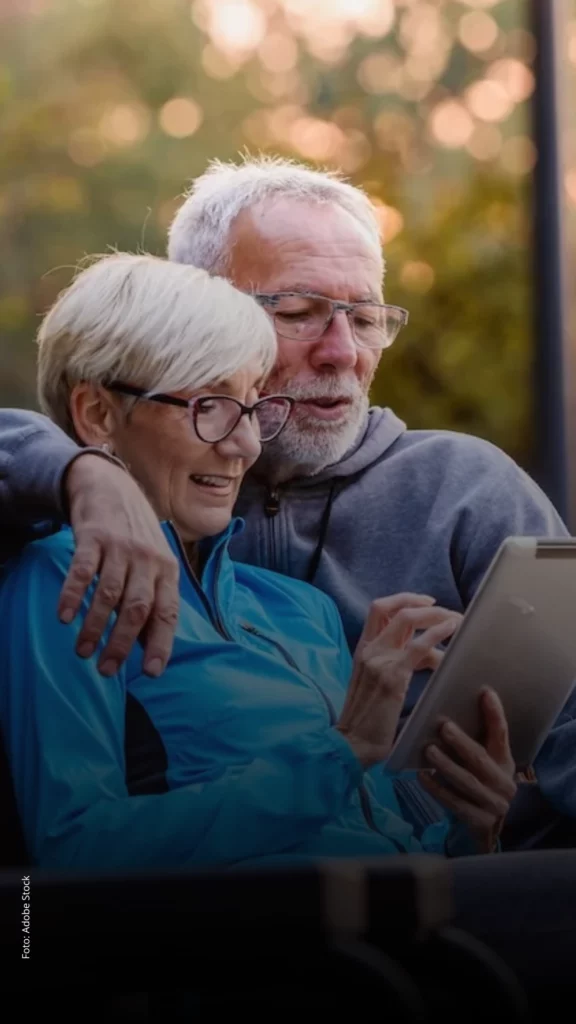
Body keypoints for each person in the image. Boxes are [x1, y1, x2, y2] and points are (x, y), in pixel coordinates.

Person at [0, 156, 573, 839]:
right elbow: (74, 849)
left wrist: (470, 831)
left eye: (366, 318)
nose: (343, 352)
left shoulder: (456, 495)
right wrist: (81, 474)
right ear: (201, 304)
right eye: (299, 313)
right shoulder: (68, 553)